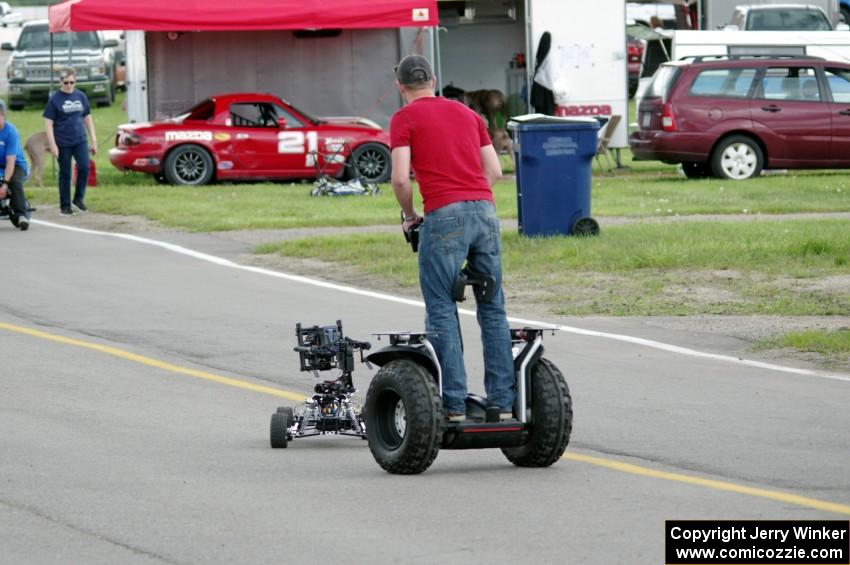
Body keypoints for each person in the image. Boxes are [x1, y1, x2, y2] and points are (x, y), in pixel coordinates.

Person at [390, 55, 515, 422]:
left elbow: (400, 178)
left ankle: (454, 404)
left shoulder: (404, 118)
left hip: (443, 215)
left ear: (400, 87)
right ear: (434, 79)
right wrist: (471, 196)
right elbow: (495, 171)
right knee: (492, 307)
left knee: (442, 306)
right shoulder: (467, 114)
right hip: (485, 212)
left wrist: (412, 216)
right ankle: (503, 402)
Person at [43, 68, 97, 215]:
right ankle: (65, 206)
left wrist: (93, 139)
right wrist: (53, 144)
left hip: (80, 140)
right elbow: (48, 123)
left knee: (84, 167)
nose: (69, 85)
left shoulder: (81, 96)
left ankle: (78, 198)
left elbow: (87, 117)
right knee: (65, 173)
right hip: (62, 142)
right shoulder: (55, 99)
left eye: (72, 82)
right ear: (61, 82)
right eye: (66, 82)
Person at [0, 99, 31, 231]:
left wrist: (5, 184)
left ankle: (21, 216)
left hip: (16, 165)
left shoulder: (11, 132)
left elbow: (11, 161)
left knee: (14, 181)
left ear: (2, 115)